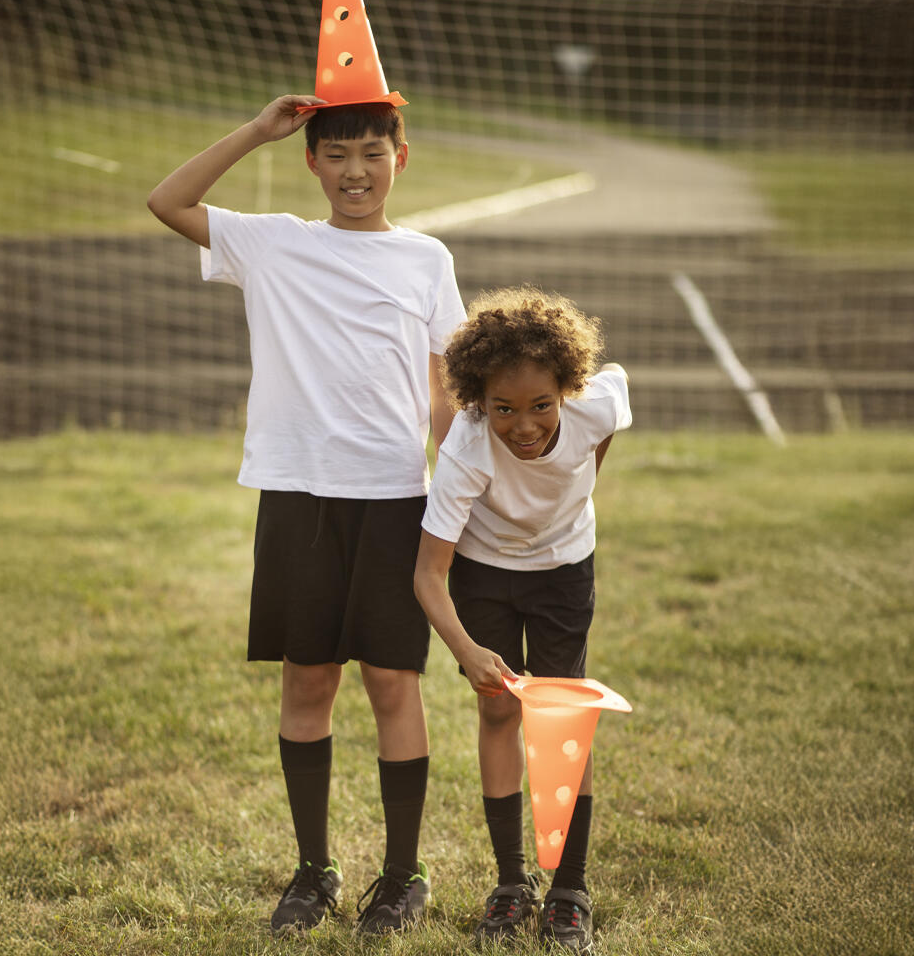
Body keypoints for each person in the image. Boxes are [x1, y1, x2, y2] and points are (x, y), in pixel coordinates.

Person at [147, 94, 465, 935]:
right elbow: (168, 202)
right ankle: (314, 870)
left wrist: (470, 487)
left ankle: (403, 876)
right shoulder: (275, 241)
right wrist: (256, 130)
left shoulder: (427, 259)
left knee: (393, 683)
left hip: (396, 498)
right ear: (312, 162)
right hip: (298, 495)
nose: (355, 171)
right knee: (308, 679)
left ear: (403, 155)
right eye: (337, 155)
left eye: (372, 152)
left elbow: (442, 391)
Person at [410, 286, 631, 951]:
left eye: (541, 405)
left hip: (565, 571)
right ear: (477, 402)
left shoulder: (594, 406)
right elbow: (427, 576)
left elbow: (612, 405)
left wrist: (576, 487)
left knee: (565, 709)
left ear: (567, 389)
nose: (526, 425)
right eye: (504, 409)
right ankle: (511, 884)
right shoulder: (468, 450)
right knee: (501, 713)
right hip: (484, 574)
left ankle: (569, 889)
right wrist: (468, 650)